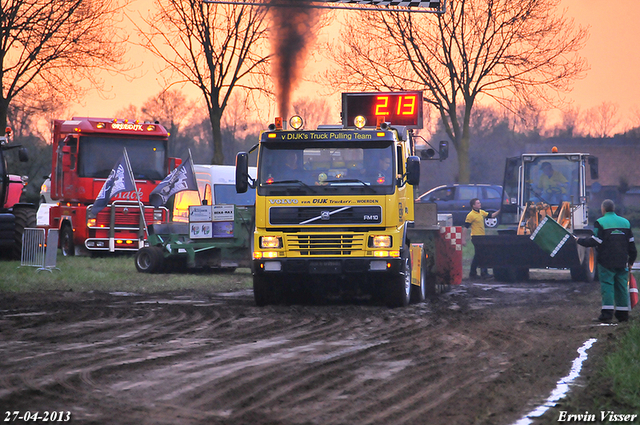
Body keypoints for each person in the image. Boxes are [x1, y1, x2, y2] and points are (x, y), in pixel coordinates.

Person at [577, 199, 637, 322]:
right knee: (621, 286)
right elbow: (631, 245)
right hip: (622, 261)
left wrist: (580, 241)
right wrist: (631, 261)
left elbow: (596, 241)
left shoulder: (600, 222)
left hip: (606, 261)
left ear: (603, 209)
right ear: (613, 208)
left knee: (608, 286)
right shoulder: (625, 223)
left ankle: (607, 314)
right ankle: (623, 314)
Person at [465, 198, 500, 279]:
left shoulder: (481, 212)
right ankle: (478, 273)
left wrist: (500, 210)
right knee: (479, 254)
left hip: (482, 237)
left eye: (479, 203)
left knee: (480, 255)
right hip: (476, 237)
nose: (480, 204)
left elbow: (491, 215)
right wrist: (463, 240)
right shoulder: (470, 215)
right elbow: (465, 227)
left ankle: (477, 273)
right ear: (473, 205)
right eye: (477, 203)